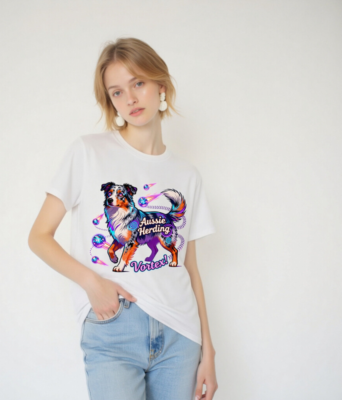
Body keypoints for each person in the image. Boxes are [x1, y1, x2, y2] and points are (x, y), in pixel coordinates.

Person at [28, 37, 218, 400]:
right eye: (117, 92)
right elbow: (39, 236)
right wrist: (92, 283)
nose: (130, 98)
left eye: (138, 83)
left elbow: (190, 269)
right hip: (112, 327)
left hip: (180, 335)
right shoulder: (88, 152)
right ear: (110, 101)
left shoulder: (187, 175)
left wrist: (208, 350)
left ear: (161, 86)